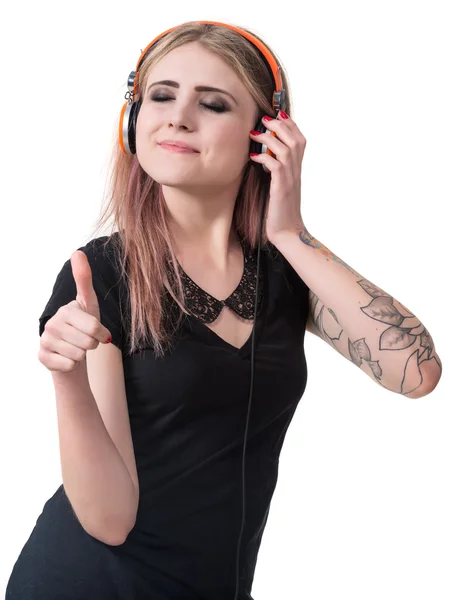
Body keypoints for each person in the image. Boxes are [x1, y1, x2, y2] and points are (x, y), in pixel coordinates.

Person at [6, 19, 442, 600]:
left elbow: (417, 373)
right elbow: (109, 518)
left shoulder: (288, 271)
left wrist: (290, 232)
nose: (178, 116)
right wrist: (67, 382)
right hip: (86, 585)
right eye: (160, 96)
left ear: (265, 137)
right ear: (133, 121)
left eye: (212, 104)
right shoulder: (100, 274)